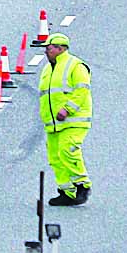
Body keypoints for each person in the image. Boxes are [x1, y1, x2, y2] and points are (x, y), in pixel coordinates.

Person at [38, 33, 92, 206]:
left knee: (67, 150)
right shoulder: (48, 69)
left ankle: (82, 186)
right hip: (53, 123)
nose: (46, 51)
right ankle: (67, 192)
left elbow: (81, 90)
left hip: (73, 120)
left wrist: (67, 109)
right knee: (55, 158)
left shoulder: (76, 66)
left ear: (61, 48)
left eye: (49, 48)